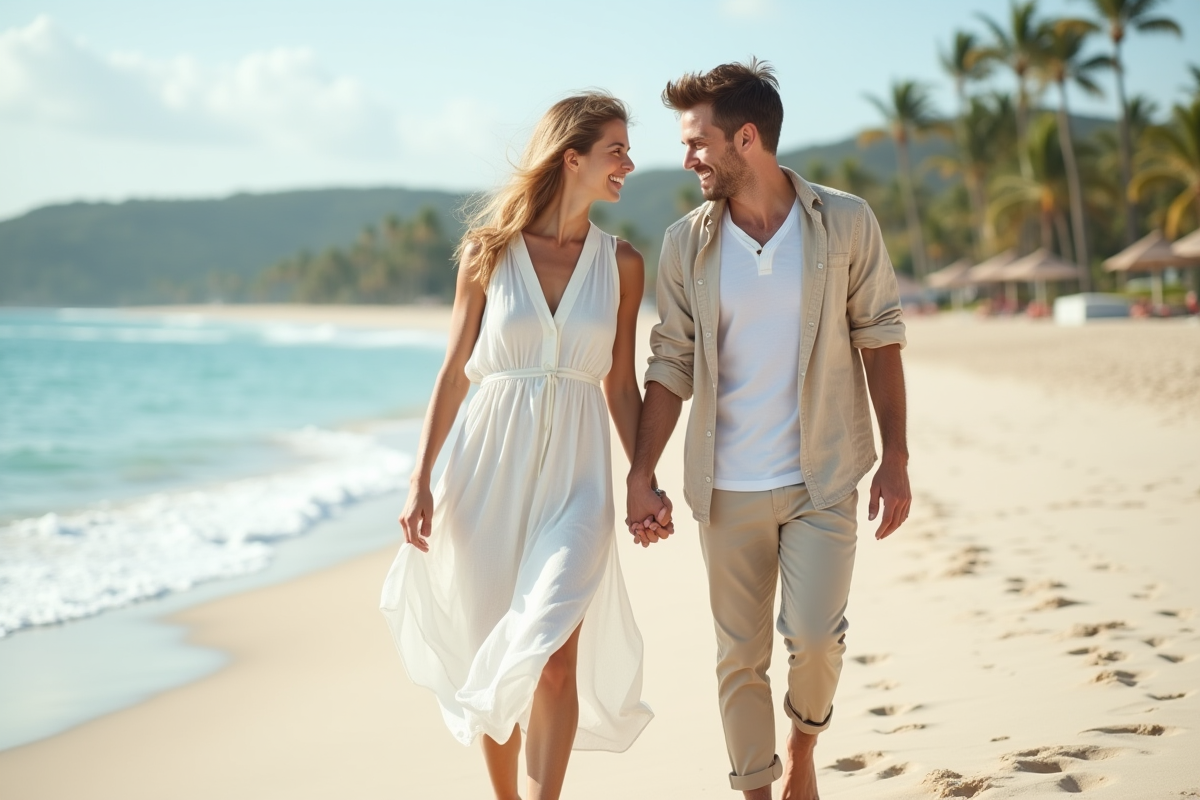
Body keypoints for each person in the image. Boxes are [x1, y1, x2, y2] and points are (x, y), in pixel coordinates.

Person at [625, 60, 911, 800]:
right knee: (738, 657)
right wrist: (641, 471)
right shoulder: (687, 243)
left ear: (746, 138)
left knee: (815, 639)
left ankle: (804, 746)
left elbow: (880, 336)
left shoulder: (844, 221)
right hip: (726, 488)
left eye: (698, 143)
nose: (687, 159)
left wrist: (897, 457)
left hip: (823, 476)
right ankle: (758, 789)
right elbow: (672, 361)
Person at [380, 92, 655, 800]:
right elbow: (451, 373)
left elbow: (620, 385)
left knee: (554, 652)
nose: (629, 162)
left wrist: (642, 476)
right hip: (485, 469)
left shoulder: (622, 263)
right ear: (573, 158)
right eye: (615, 149)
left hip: (579, 477)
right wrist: (420, 481)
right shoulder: (488, 252)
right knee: (496, 650)